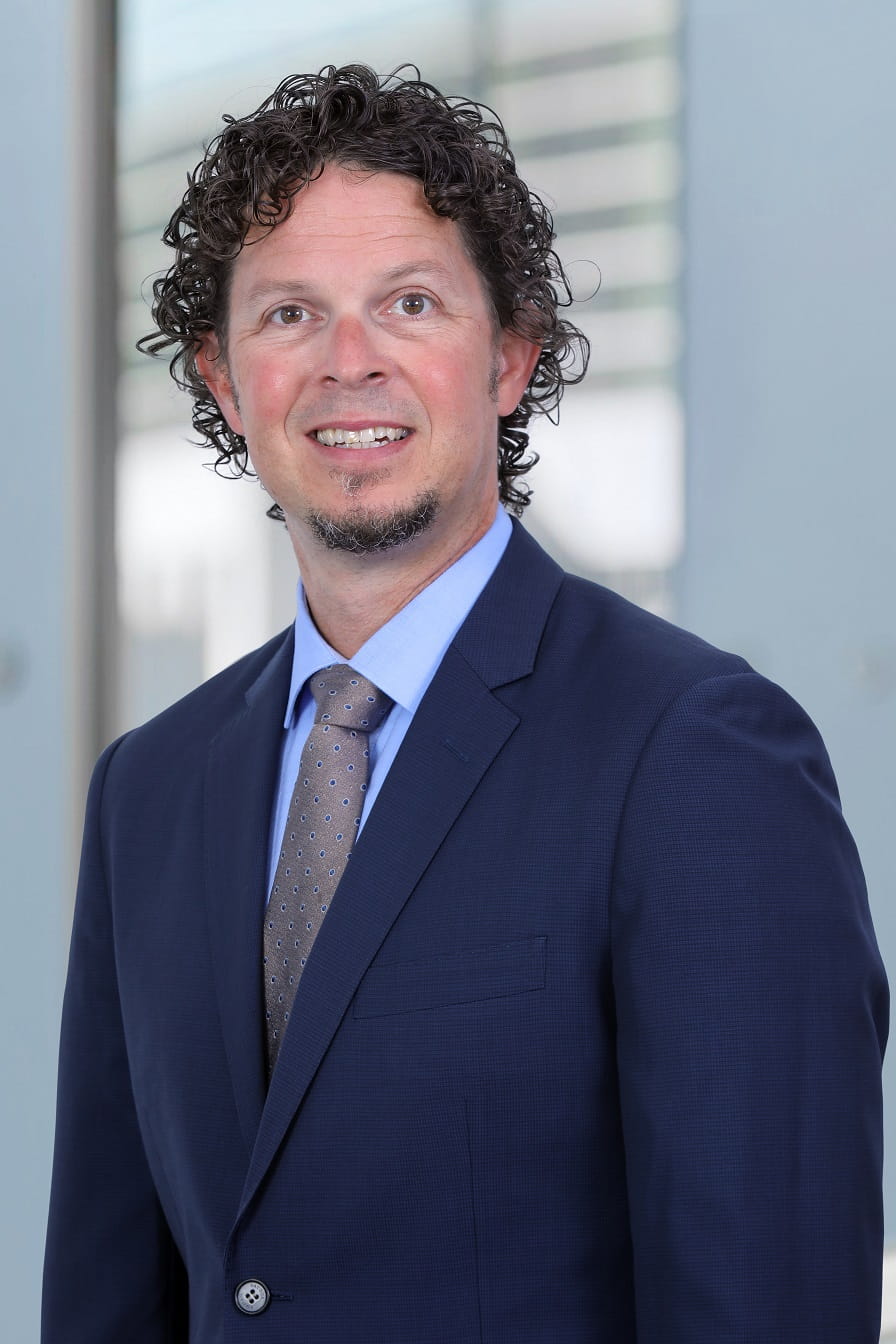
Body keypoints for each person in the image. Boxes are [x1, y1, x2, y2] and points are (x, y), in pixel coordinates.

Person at [43, 64, 887, 1344]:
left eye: (409, 303)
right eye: (289, 314)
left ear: (507, 358)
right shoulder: (150, 788)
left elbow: (765, 1304)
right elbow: (110, 1294)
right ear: (221, 380)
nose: (349, 362)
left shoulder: (696, 753)